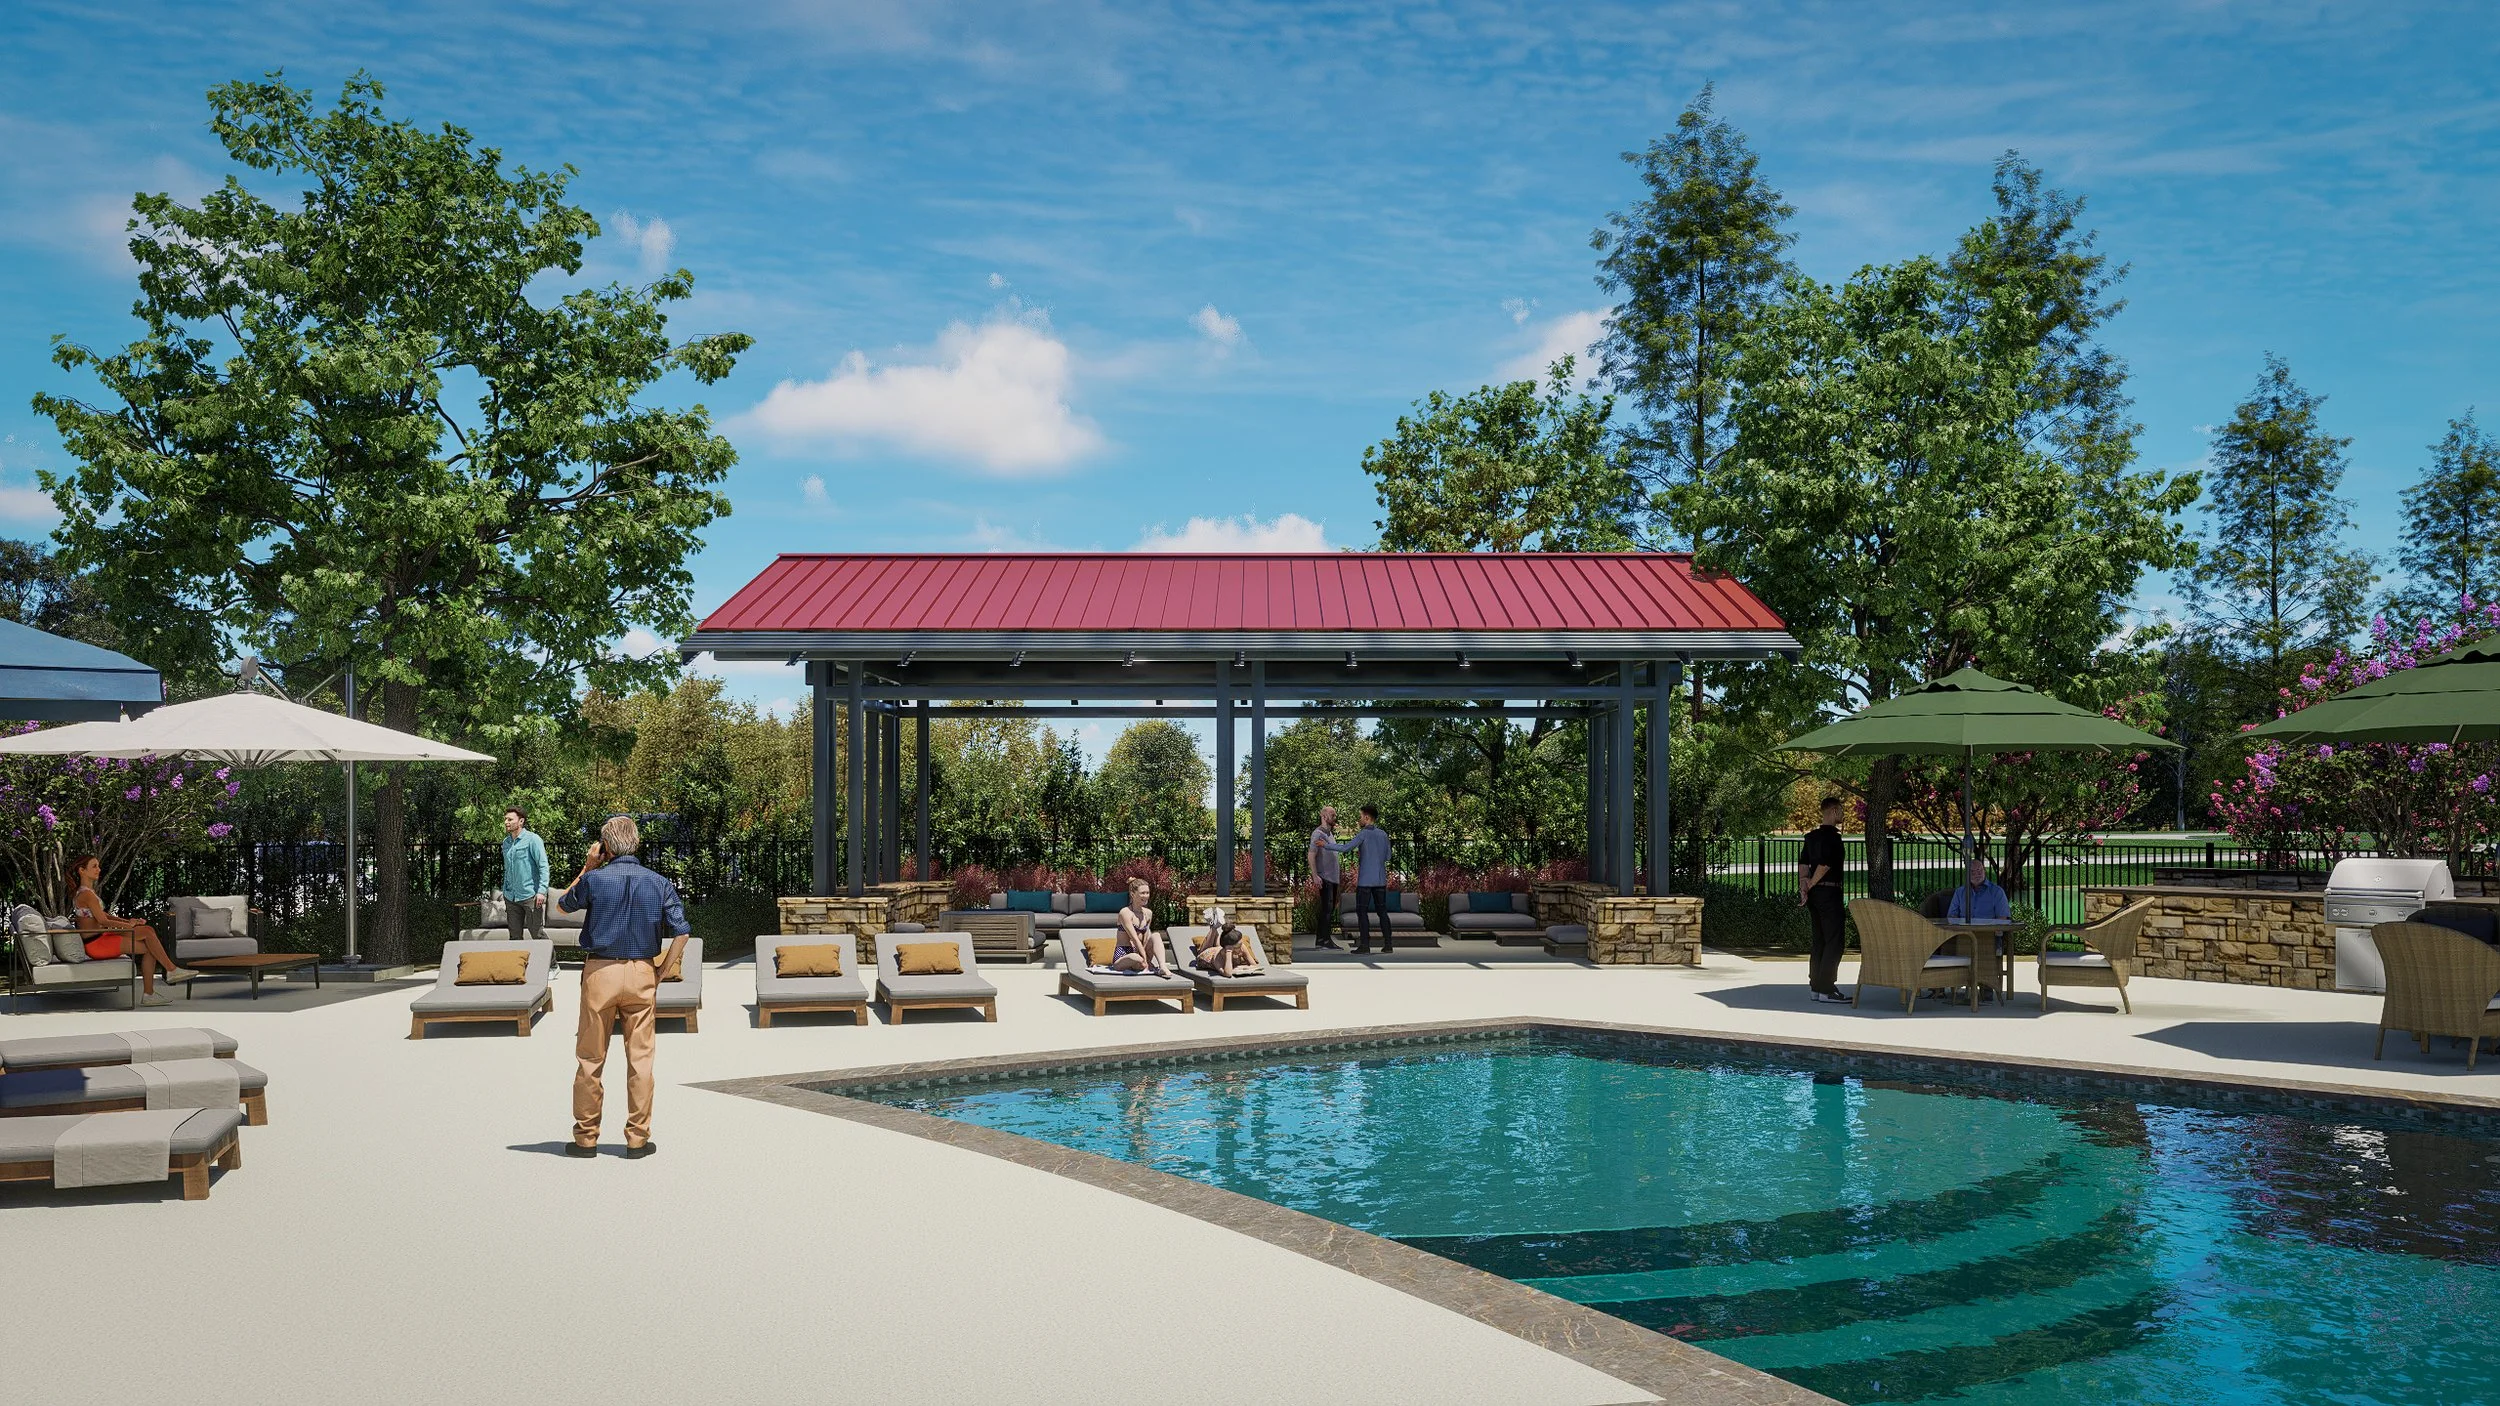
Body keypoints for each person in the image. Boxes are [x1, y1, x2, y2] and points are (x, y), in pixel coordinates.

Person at [556, 815, 689, 1158]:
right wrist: (660, 971)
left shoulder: (595, 879)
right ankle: (637, 1140)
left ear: (607, 847)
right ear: (638, 843)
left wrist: (587, 865)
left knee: (590, 1058)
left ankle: (586, 1140)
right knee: (641, 1060)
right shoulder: (659, 882)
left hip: (600, 972)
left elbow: (562, 904)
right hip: (642, 971)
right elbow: (682, 932)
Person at [68, 854, 196, 1005]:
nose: (99, 869)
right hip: (97, 944)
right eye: (94, 866)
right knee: (148, 931)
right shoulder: (86, 894)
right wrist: (129, 927)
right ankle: (171, 970)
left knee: (150, 947)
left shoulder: (87, 892)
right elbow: (103, 921)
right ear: (82, 870)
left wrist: (128, 922)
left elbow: (104, 915)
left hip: (101, 939)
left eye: (98, 865)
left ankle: (150, 994)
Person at [1797, 797, 1849, 1004]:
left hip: (1815, 897)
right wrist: (1810, 884)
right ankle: (1827, 988)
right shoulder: (1833, 839)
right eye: (1842, 810)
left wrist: (1804, 886)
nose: (1843, 814)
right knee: (1835, 941)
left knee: (1819, 940)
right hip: (1828, 894)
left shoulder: (1811, 837)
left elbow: (1804, 864)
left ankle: (1816, 987)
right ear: (1834, 811)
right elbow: (1824, 865)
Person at [1346, 804, 1394, 955]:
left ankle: (1365, 946)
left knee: (1362, 911)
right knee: (1382, 911)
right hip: (1380, 880)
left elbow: (1346, 848)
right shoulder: (1383, 834)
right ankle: (1388, 945)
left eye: (1360, 816)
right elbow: (1388, 857)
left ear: (1367, 817)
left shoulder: (1363, 834)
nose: (1359, 819)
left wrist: (1325, 845)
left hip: (1365, 881)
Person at [500, 806, 550, 942]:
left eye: (510, 819)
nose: (506, 822)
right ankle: (518, 964)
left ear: (521, 821)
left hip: (530, 896)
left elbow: (543, 866)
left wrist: (541, 891)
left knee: (537, 934)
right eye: (505, 819)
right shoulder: (506, 843)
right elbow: (508, 868)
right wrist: (505, 890)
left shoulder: (533, 839)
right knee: (514, 937)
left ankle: (552, 963)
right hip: (511, 897)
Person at [1110, 877, 1168, 975]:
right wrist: (1145, 960)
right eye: (1142, 893)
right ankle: (1143, 963)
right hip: (1124, 955)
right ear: (1133, 894)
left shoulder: (1148, 913)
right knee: (1136, 958)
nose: (1146, 896)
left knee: (1156, 935)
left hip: (1140, 952)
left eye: (1147, 893)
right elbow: (1135, 939)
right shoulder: (1125, 913)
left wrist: (1147, 959)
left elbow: (1146, 937)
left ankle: (1163, 966)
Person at [1306, 805, 1344, 950]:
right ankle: (1325, 941)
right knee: (1327, 909)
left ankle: (1321, 940)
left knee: (1329, 909)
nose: (1334, 817)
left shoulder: (1329, 834)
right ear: (1324, 816)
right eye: (1332, 815)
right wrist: (1315, 876)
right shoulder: (1318, 834)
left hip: (1333, 878)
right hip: (1325, 877)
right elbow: (1311, 855)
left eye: (1335, 815)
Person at [1945, 855, 2011, 925]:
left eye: (1979, 870)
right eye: (1972, 871)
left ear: (1984, 870)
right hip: (1964, 932)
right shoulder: (1959, 892)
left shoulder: (1997, 892)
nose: (1977, 874)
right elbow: (1951, 916)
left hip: (1988, 932)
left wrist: (1996, 934)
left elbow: (2003, 918)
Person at [1191, 917, 1262, 977]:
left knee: (1219, 945)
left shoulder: (1242, 947)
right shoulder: (1217, 958)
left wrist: (1245, 968)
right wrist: (1228, 952)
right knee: (1204, 951)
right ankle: (1213, 928)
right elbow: (1228, 973)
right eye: (1238, 947)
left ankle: (1216, 927)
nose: (1241, 948)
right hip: (1207, 955)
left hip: (1220, 948)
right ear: (1229, 948)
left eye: (1241, 944)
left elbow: (1254, 965)